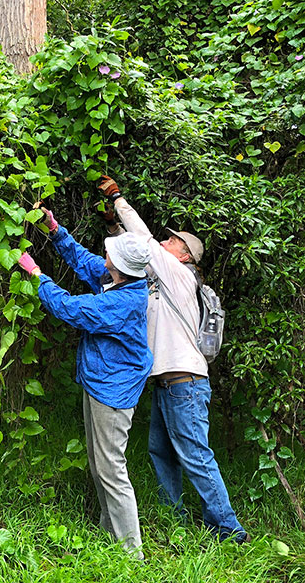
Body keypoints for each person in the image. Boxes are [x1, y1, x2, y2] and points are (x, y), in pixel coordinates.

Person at [96, 175, 248, 543]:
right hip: (167, 384)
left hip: (185, 384)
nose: (164, 243)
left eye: (172, 241)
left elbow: (145, 243)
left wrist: (118, 198)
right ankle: (174, 521)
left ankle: (230, 529)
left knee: (195, 454)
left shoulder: (180, 275)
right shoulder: (161, 282)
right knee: (160, 451)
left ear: (184, 255)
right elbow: (129, 259)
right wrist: (114, 227)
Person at [17, 207, 153, 557]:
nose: (105, 252)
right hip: (101, 381)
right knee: (99, 465)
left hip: (113, 390)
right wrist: (55, 229)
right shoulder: (118, 277)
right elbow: (83, 260)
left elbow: (71, 309)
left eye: (111, 251)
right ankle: (113, 537)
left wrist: (36, 274)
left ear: (121, 264)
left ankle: (132, 556)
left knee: (112, 470)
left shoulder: (123, 301)